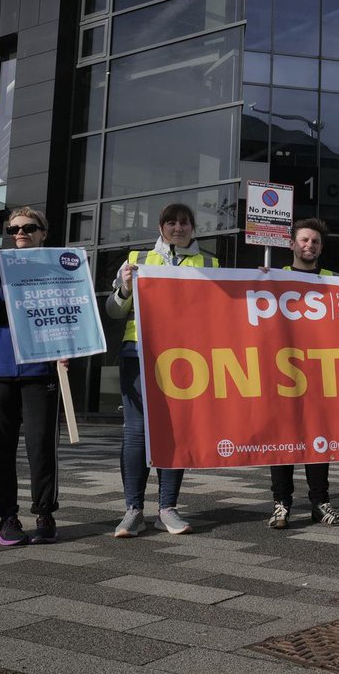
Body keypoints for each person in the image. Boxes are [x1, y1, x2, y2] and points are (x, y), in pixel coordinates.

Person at [106, 204, 217, 538]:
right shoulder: (137, 259)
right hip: (138, 353)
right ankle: (133, 510)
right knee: (136, 432)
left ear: (193, 228)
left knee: (176, 431)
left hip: (185, 359)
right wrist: (124, 288)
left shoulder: (209, 263)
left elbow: (224, 308)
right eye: (171, 222)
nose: (178, 228)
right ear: (160, 226)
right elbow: (113, 310)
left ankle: (167, 509)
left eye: (184, 222)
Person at [0, 207, 62, 546]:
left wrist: (71, 348)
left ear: (43, 233)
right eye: (13, 229)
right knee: (0, 447)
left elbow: (74, 315)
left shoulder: (60, 269)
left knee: (42, 445)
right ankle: (6, 517)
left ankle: (45, 511)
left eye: (29, 228)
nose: (20, 233)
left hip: (41, 368)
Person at [266, 218, 339, 529]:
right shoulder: (273, 277)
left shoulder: (335, 279)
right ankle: (281, 504)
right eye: (303, 240)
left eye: (314, 241)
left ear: (321, 247)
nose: (309, 245)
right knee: (282, 439)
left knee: (317, 438)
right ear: (292, 244)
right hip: (283, 372)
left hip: (320, 374)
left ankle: (319, 502)